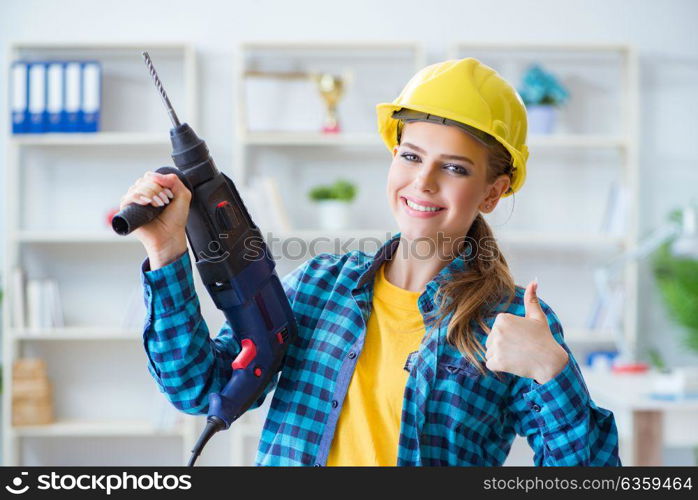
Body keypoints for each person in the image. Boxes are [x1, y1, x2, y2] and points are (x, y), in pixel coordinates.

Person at [120, 58, 621, 466]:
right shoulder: (318, 287)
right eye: (410, 156)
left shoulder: (512, 324)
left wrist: (552, 372)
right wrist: (165, 254)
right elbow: (200, 388)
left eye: (453, 168)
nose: (423, 182)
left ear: (493, 191)